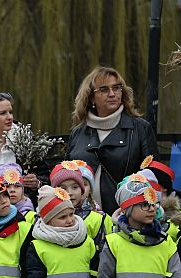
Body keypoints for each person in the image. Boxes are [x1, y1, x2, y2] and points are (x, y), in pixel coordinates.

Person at [66, 66, 159, 215]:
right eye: (103, 90)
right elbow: (66, 175)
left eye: (116, 88)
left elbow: (155, 176)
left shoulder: (140, 128)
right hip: (81, 219)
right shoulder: (78, 132)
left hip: (125, 217)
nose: (112, 94)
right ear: (91, 97)